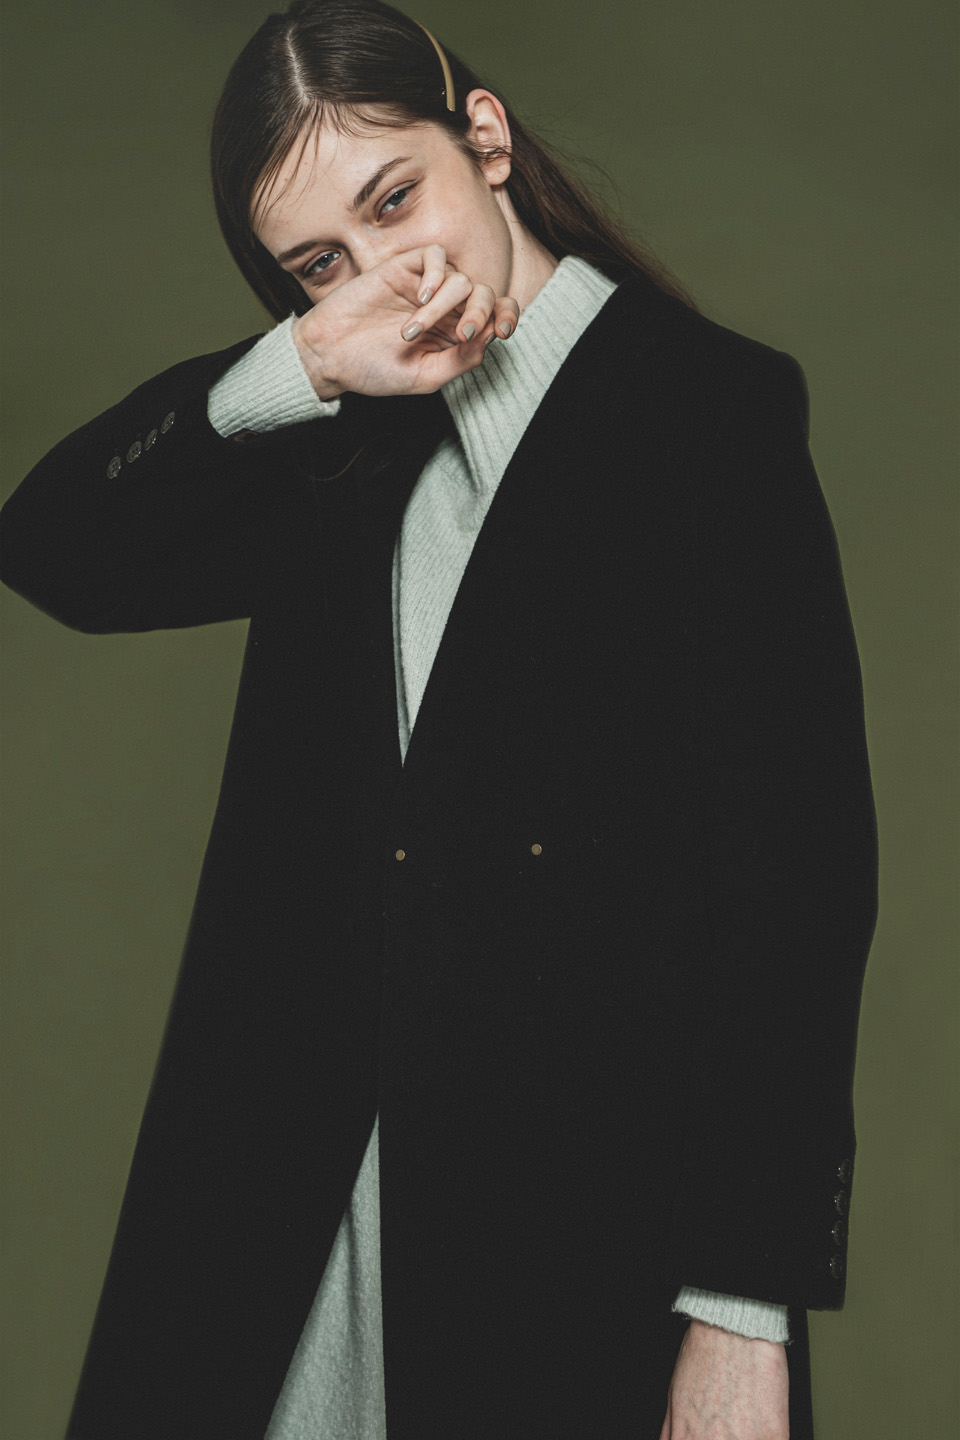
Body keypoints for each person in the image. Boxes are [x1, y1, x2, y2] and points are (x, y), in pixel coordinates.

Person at [0, 1, 877, 1436]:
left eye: (395, 198)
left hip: (562, 1235)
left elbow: (796, 896)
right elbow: (51, 548)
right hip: (279, 1221)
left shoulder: (708, 415)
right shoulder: (334, 436)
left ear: (485, 138)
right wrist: (300, 366)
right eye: (319, 264)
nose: (385, 276)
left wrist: (741, 1312)